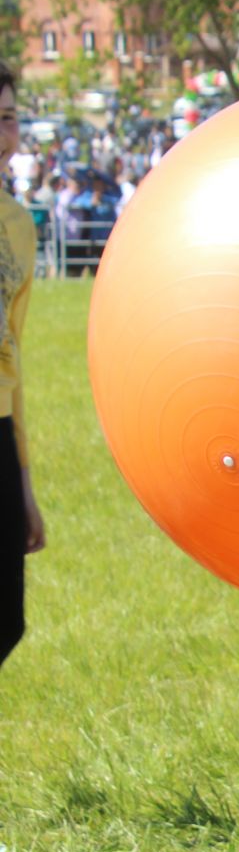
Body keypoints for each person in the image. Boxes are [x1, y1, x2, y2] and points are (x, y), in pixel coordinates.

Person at [0, 67, 43, 669]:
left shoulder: (19, 226)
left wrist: (25, 485)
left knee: (7, 621)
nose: (0, 131)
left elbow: (12, 355)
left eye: (6, 117)